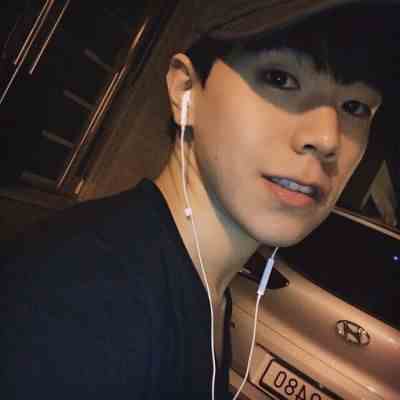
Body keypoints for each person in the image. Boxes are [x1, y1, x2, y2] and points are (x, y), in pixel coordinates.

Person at [1, 1, 399, 399]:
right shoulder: (85, 308)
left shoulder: (205, 292)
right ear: (185, 91)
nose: (328, 138)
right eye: (280, 78)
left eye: (356, 107)